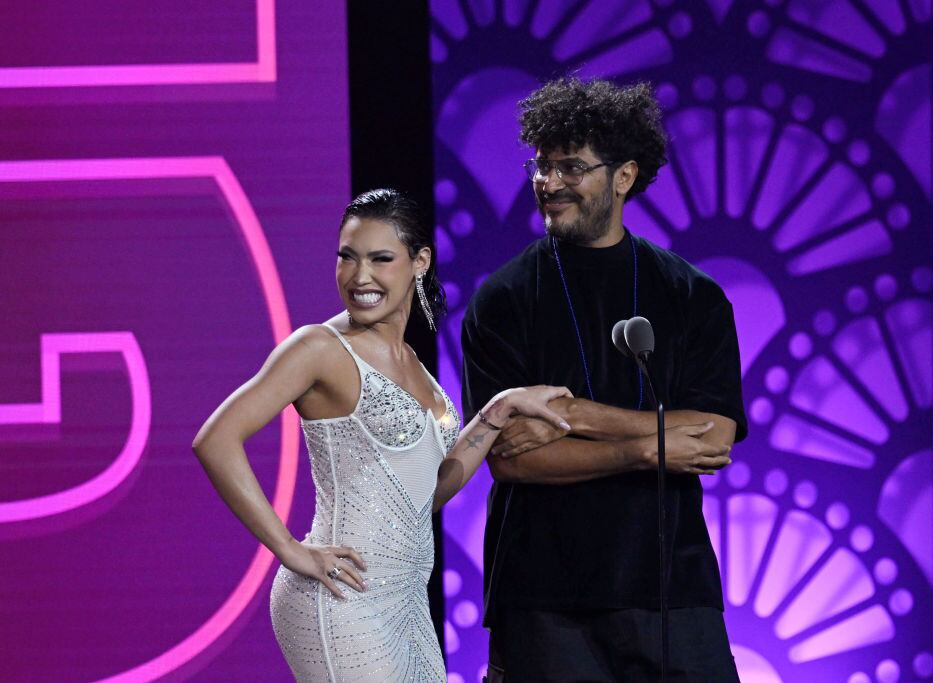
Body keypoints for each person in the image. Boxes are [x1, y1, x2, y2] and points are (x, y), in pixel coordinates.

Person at [193, 188, 571, 682]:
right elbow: (216, 439)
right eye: (347, 257)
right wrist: (290, 548)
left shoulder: (413, 363)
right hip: (340, 596)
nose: (359, 277)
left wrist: (497, 411)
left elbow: (428, 494)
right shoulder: (320, 348)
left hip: (406, 603)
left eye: (380, 259)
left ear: (420, 262)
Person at [461, 78, 748, 681]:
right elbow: (510, 458)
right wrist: (646, 449)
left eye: (571, 167)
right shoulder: (503, 299)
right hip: (542, 596)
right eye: (542, 166)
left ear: (624, 177)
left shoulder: (692, 295)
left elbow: (713, 436)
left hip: (670, 588)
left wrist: (578, 416)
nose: (549, 183)